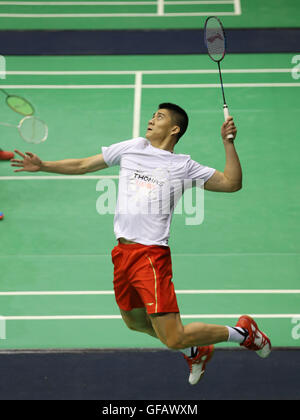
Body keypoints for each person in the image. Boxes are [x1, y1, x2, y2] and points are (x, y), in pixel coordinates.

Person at [11, 103, 271, 385]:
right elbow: (84, 164)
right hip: (122, 253)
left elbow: (232, 182)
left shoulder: (182, 165)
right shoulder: (133, 147)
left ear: (175, 129)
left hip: (150, 255)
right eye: (152, 115)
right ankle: (195, 350)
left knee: (173, 337)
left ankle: (244, 333)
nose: (151, 120)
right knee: (135, 322)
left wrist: (227, 142)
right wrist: (43, 166)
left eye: (159, 117)